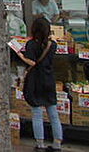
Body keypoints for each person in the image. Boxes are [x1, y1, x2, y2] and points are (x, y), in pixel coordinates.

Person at [13, 18, 62, 152]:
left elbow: (32, 62)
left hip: (35, 80)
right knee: (53, 113)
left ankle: (40, 144)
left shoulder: (31, 44)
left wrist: (20, 55)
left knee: (37, 113)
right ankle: (57, 144)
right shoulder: (52, 45)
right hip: (48, 79)